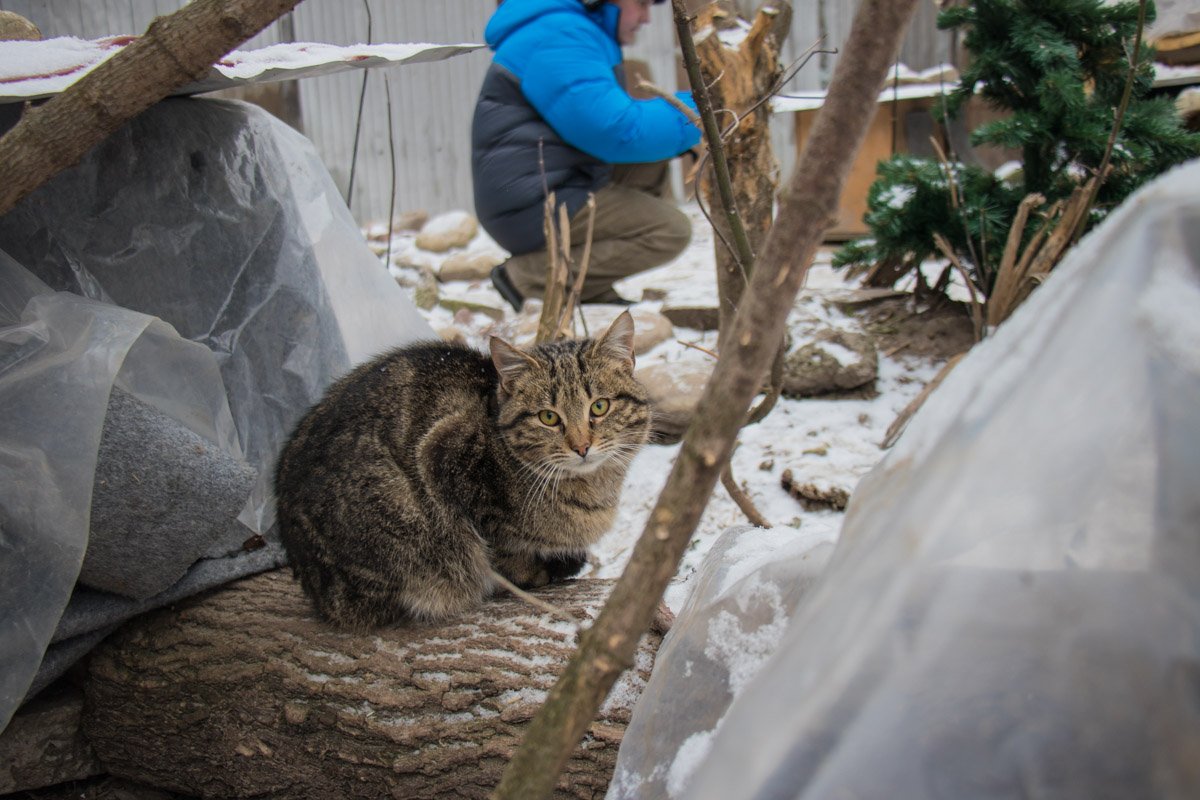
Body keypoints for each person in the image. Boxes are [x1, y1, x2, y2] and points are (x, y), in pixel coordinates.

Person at [471, 0, 702, 308]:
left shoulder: (573, 28)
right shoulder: (558, 35)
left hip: (551, 182)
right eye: (641, 4)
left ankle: (587, 287)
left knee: (652, 160)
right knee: (669, 231)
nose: (647, 18)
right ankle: (526, 276)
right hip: (530, 203)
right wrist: (704, 107)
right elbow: (618, 131)